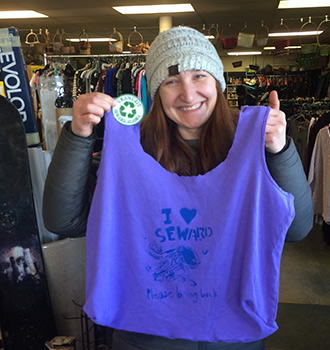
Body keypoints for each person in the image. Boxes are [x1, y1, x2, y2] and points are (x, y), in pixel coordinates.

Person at [43, 26, 313, 350]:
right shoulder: (130, 148)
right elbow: (63, 221)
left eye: (199, 75)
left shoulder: (255, 142)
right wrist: (78, 136)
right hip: (145, 336)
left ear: (217, 82)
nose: (187, 93)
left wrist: (279, 152)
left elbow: (296, 229)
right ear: (157, 90)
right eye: (171, 80)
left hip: (233, 336)